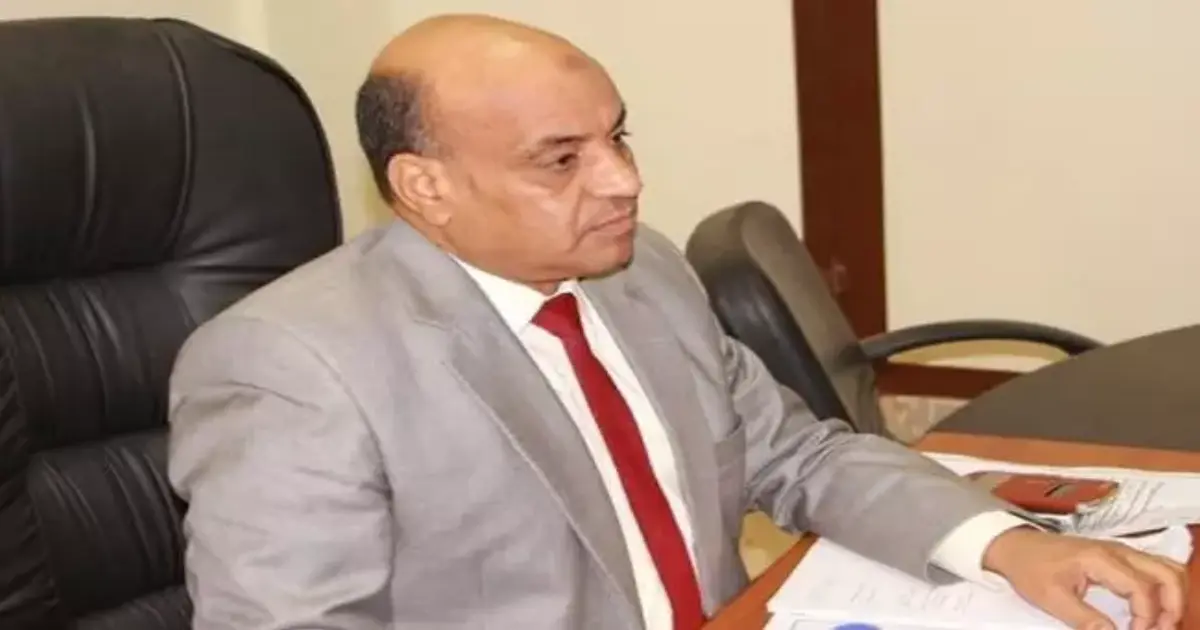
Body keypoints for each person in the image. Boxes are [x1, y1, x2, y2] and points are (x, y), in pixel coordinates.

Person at [167, 13, 1187, 630]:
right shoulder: (292, 366)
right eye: (562, 160)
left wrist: (1007, 546)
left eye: (618, 137)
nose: (624, 181)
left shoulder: (638, 271)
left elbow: (800, 457)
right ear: (425, 186)